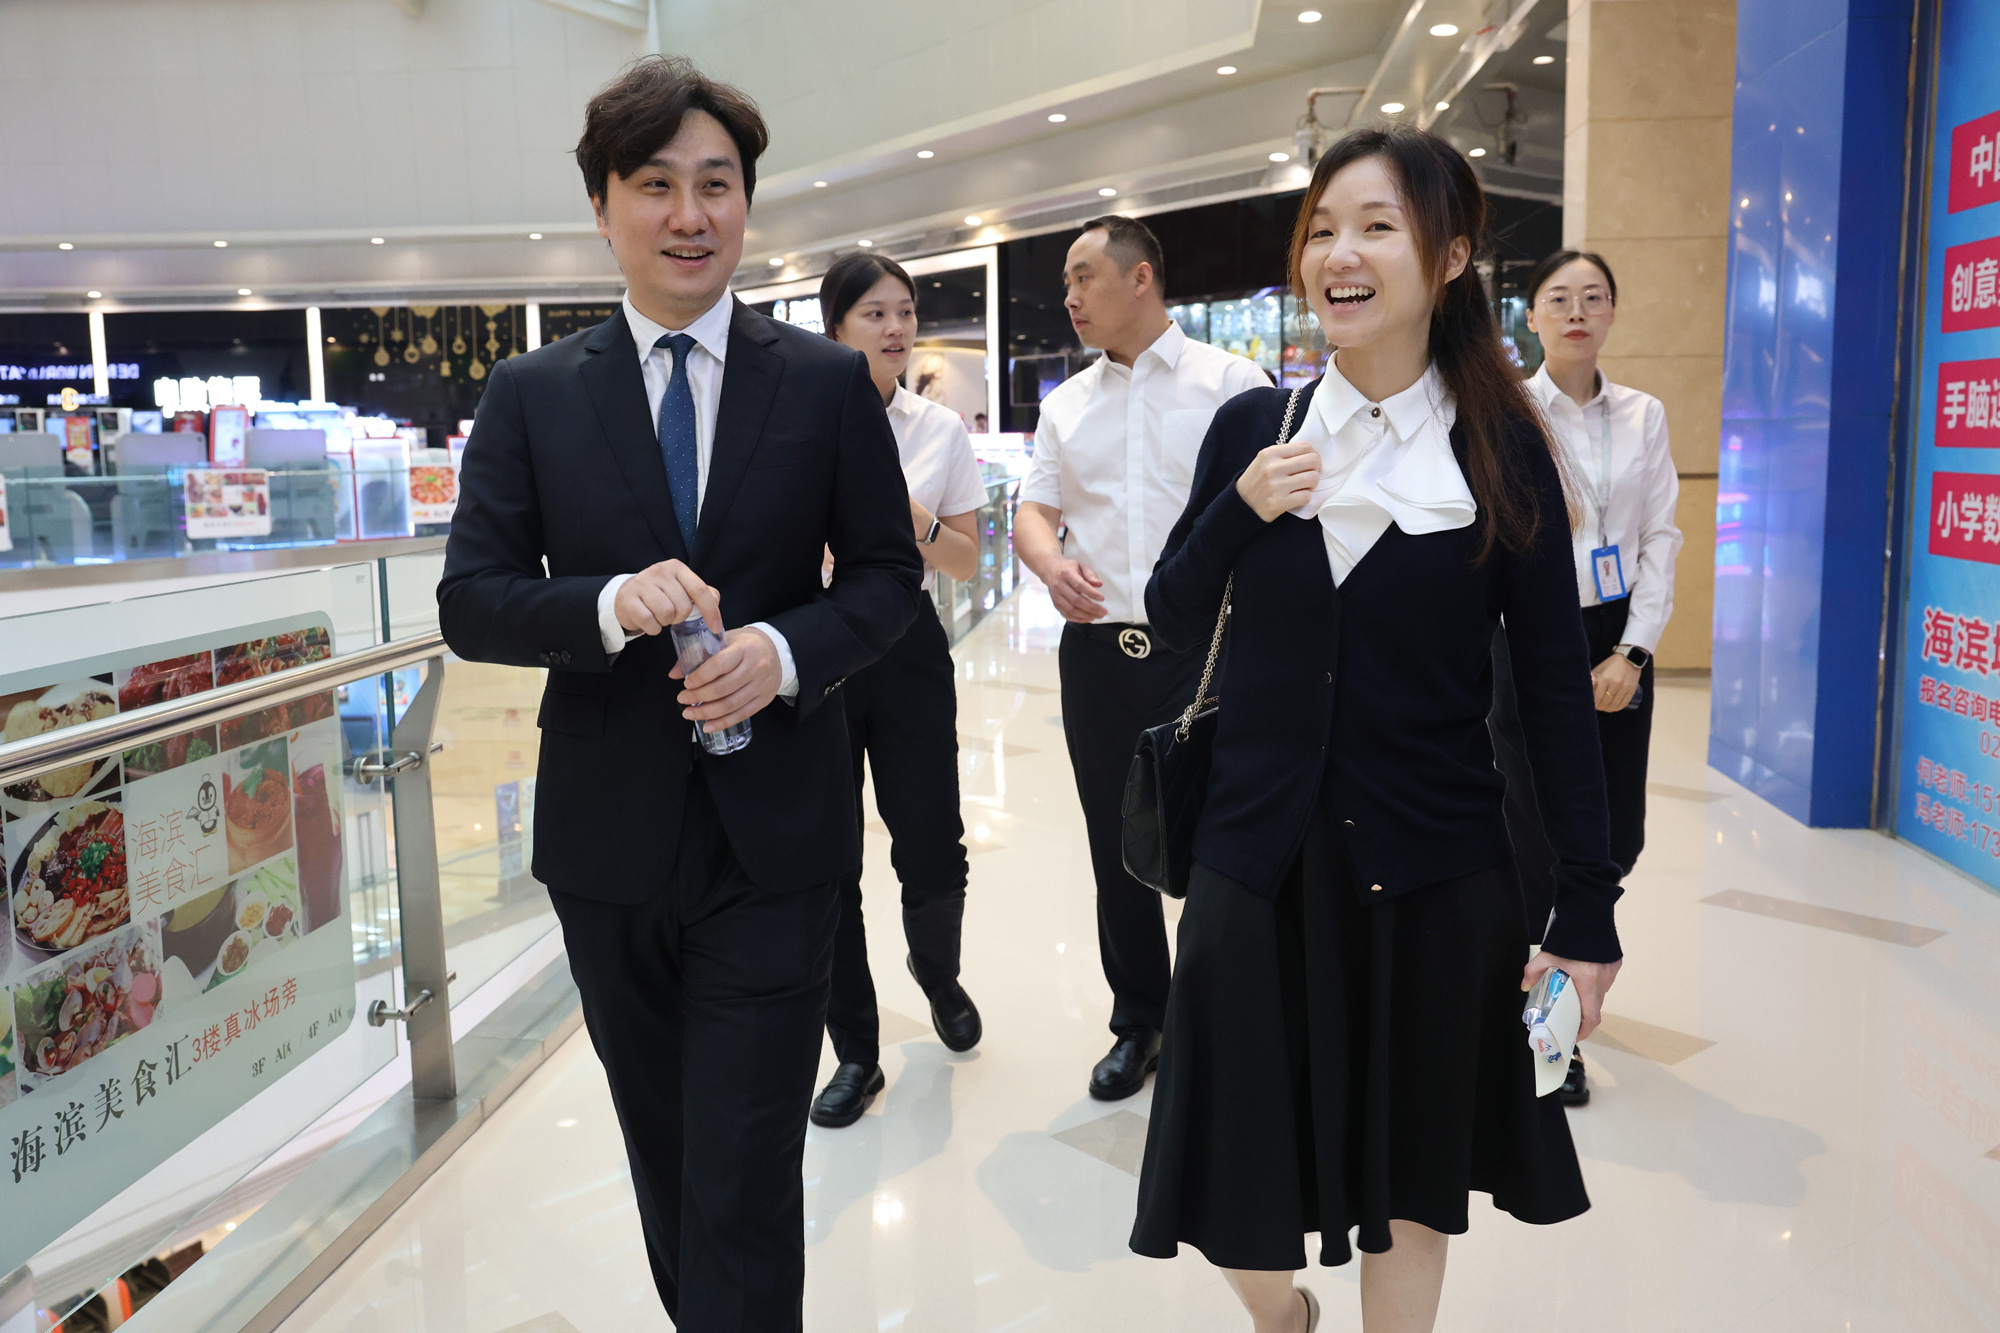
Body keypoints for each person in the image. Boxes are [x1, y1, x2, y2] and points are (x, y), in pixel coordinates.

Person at [436, 56, 921, 1331]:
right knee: (667, 1160)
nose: (690, 214)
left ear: (746, 203)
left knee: (744, 1175)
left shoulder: (820, 381)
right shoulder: (533, 394)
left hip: (777, 842)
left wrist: (783, 650)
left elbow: (886, 579)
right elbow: (472, 600)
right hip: (609, 847)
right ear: (602, 207)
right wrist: (604, 604)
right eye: (656, 185)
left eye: (716, 184)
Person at [1130, 125, 1625, 1333]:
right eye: (1321, 230)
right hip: (1252, 855)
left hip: (1435, 870)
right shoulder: (1253, 428)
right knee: (1226, 1159)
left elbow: (1552, 693)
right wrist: (1240, 510)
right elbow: (1169, 609)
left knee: (1411, 1182)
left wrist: (1585, 906)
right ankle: (1279, 1314)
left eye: (1375, 228)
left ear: (1448, 257)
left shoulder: (1501, 448)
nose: (1337, 255)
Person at [1014, 215, 1270, 1101]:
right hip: (1097, 656)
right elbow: (1034, 509)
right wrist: (1050, 565)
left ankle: (1220, 1014)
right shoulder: (1066, 404)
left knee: (1221, 836)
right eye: (1066, 283)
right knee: (1113, 836)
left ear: (1141, 277)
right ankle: (1140, 1019)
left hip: (1208, 649)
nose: (1070, 297)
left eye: (1083, 276)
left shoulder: (1232, 385)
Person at [1488, 250, 1682, 1105]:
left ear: (1610, 313)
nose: (1576, 312)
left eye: (1593, 297)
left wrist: (1633, 651)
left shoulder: (1644, 414)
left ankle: (1550, 985)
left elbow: (1661, 537)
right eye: (1558, 298)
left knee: (1613, 839)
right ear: (1531, 316)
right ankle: (1549, 1033)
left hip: (1616, 635)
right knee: (1540, 843)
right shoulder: (1506, 414)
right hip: (1529, 633)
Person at [809, 251, 989, 1128]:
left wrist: (908, 517)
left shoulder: (938, 430)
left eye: (905, 312)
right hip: (819, 643)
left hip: (908, 642)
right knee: (829, 852)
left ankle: (938, 972)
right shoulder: (796, 422)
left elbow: (966, 558)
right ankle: (855, 1049)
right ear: (835, 328)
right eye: (873, 313)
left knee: (931, 834)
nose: (895, 329)